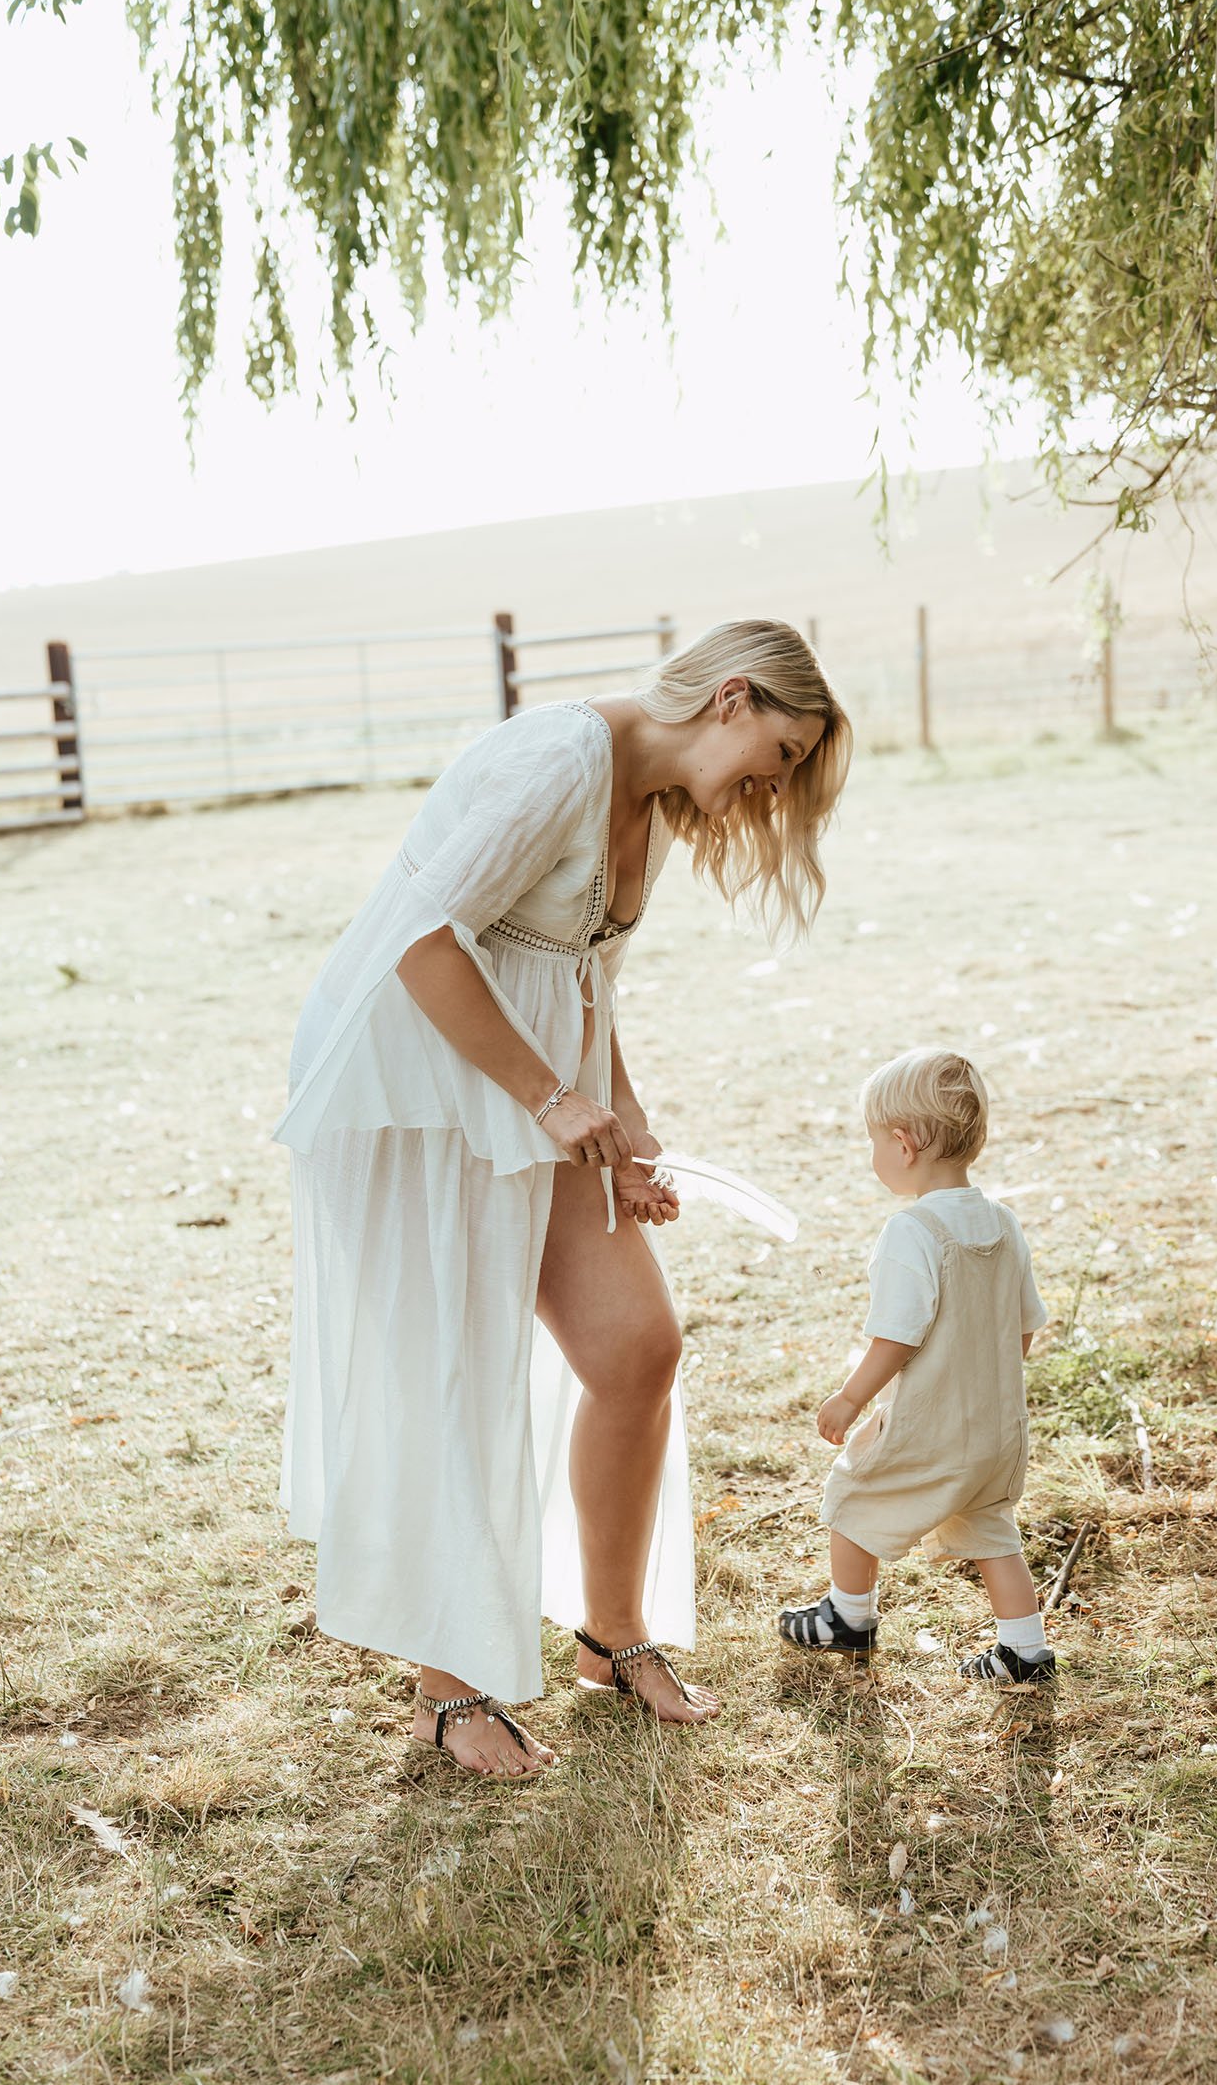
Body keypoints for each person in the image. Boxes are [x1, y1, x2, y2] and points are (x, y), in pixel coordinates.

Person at [275, 621, 852, 1777]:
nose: (764, 787)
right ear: (731, 697)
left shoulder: (646, 805)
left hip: (521, 1092)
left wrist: (623, 1125)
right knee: (462, 1365)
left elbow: (581, 979)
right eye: (777, 755)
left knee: (638, 1348)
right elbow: (421, 943)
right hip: (415, 1093)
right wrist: (548, 1099)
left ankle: (612, 1634)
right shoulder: (558, 761)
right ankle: (449, 1694)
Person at [777, 1048, 1057, 1684]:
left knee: (852, 1495)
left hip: (934, 1426)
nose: (873, 1156)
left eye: (872, 1142)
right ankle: (1024, 1648)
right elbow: (1023, 1329)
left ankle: (849, 1616)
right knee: (990, 1526)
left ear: (902, 1144)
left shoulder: (914, 1231)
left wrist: (850, 1399)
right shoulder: (1004, 1223)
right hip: (998, 1428)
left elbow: (896, 1337)